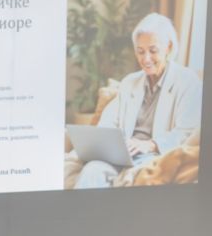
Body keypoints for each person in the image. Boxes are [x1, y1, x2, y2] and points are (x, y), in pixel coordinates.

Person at [74, 12, 202, 188]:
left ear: (169, 47)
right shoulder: (129, 82)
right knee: (92, 170)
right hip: (121, 156)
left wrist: (151, 145)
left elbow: (187, 133)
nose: (146, 59)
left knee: (134, 179)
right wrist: (110, 147)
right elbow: (108, 123)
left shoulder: (187, 81)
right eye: (140, 51)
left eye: (153, 51)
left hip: (155, 157)